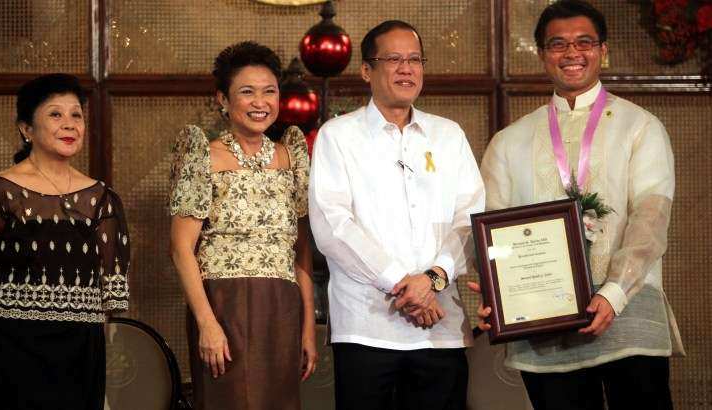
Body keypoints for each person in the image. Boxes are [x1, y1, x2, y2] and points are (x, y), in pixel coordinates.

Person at [473, 1, 684, 409]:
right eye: (558, 44)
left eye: (584, 42)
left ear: (603, 51)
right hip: (544, 327)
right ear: (541, 55)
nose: (572, 53)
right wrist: (497, 296)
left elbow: (651, 217)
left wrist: (615, 292)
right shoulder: (509, 141)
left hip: (628, 314)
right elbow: (493, 227)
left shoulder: (639, 126)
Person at [309, 20, 485, 410]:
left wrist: (434, 278)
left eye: (414, 59)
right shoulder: (338, 136)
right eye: (394, 59)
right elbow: (332, 226)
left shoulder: (448, 135)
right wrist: (404, 284)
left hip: (441, 327)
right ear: (367, 70)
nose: (407, 69)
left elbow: (470, 218)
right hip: (366, 328)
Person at [0, 73, 130, 410]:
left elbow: (111, 296)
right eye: (55, 114)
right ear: (26, 129)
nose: (69, 124)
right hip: (10, 349)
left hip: (81, 352)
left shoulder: (102, 199)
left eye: (76, 115)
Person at [168, 41, 317, 410]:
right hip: (223, 304)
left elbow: (301, 250)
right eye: (246, 92)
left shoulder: (290, 155)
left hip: (282, 306)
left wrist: (308, 328)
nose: (260, 102)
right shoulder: (203, 155)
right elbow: (181, 248)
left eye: (269, 91)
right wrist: (207, 322)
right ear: (223, 99)